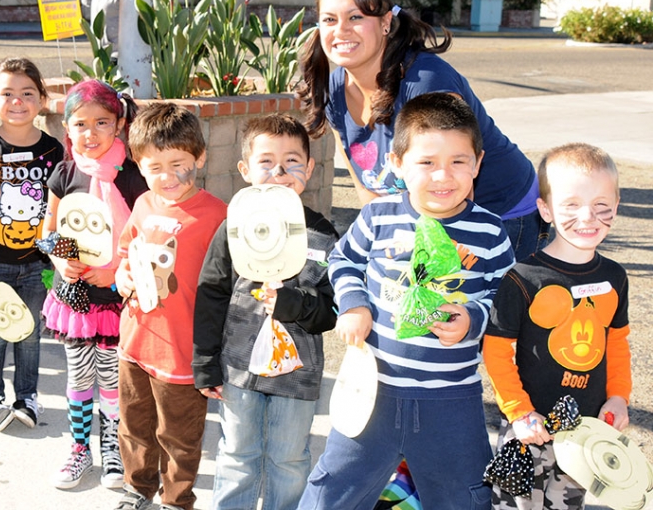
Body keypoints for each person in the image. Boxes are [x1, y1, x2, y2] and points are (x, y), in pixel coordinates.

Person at [298, 93, 515, 510]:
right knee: (330, 493)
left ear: (478, 163)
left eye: (458, 161)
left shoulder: (489, 232)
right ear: (398, 164)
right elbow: (343, 261)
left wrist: (472, 318)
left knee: (466, 498)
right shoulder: (379, 217)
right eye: (427, 162)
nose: (442, 176)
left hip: (451, 400)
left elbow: (503, 301)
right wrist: (354, 305)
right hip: (372, 391)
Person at [296, 0, 546, 261]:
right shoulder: (334, 90)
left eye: (356, 17)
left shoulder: (425, 82)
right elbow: (370, 192)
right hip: (431, 221)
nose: (341, 30)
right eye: (329, 19)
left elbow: (454, 185)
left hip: (501, 216)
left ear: (386, 22)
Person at [192, 114, 339, 510]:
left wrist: (294, 305)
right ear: (245, 170)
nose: (279, 171)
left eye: (292, 161)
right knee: (238, 456)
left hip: (298, 376)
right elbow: (211, 294)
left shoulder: (323, 235)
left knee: (289, 461)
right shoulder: (234, 227)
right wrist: (205, 362)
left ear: (309, 169)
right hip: (239, 370)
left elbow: (332, 310)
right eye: (266, 161)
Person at [484, 143, 631, 510]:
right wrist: (518, 412)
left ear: (616, 205)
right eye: (571, 205)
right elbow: (497, 349)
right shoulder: (521, 278)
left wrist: (618, 396)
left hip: (585, 432)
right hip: (528, 428)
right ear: (545, 210)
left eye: (601, 206)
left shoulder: (615, 277)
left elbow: (617, 343)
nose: (588, 217)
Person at [112, 102, 227, 510]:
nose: (166, 176)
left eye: (177, 163)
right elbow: (126, 251)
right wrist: (121, 275)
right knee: (134, 425)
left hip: (182, 352)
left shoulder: (217, 216)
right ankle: (135, 488)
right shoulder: (143, 204)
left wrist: (215, 356)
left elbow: (228, 288)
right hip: (136, 342)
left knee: (179, 435)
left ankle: (176, 500)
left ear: (199, 157)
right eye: (154, 166)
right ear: (138, 166)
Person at [42, 79, 147, 490]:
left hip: (116, 297)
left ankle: (113, 448)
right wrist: (59, 260)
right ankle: (79, 448)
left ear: (118, 124)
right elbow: (48, 231)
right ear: (67, 129)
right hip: (75, 298)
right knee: (78, 377)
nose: (91, 133)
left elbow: (146, 237)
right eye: (81, 124)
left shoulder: (133, 177)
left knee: (111, 379)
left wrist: (117, 270)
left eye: (102, 122)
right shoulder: (65, 173)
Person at [0, 57, 64, 431]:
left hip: (39, 265)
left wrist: (58, 261)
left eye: (27, 93)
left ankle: (28, 396)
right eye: (7, 93)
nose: (17, 101)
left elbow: (61, 210)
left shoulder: (55, 151)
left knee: (30, 334)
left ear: (41, 99)